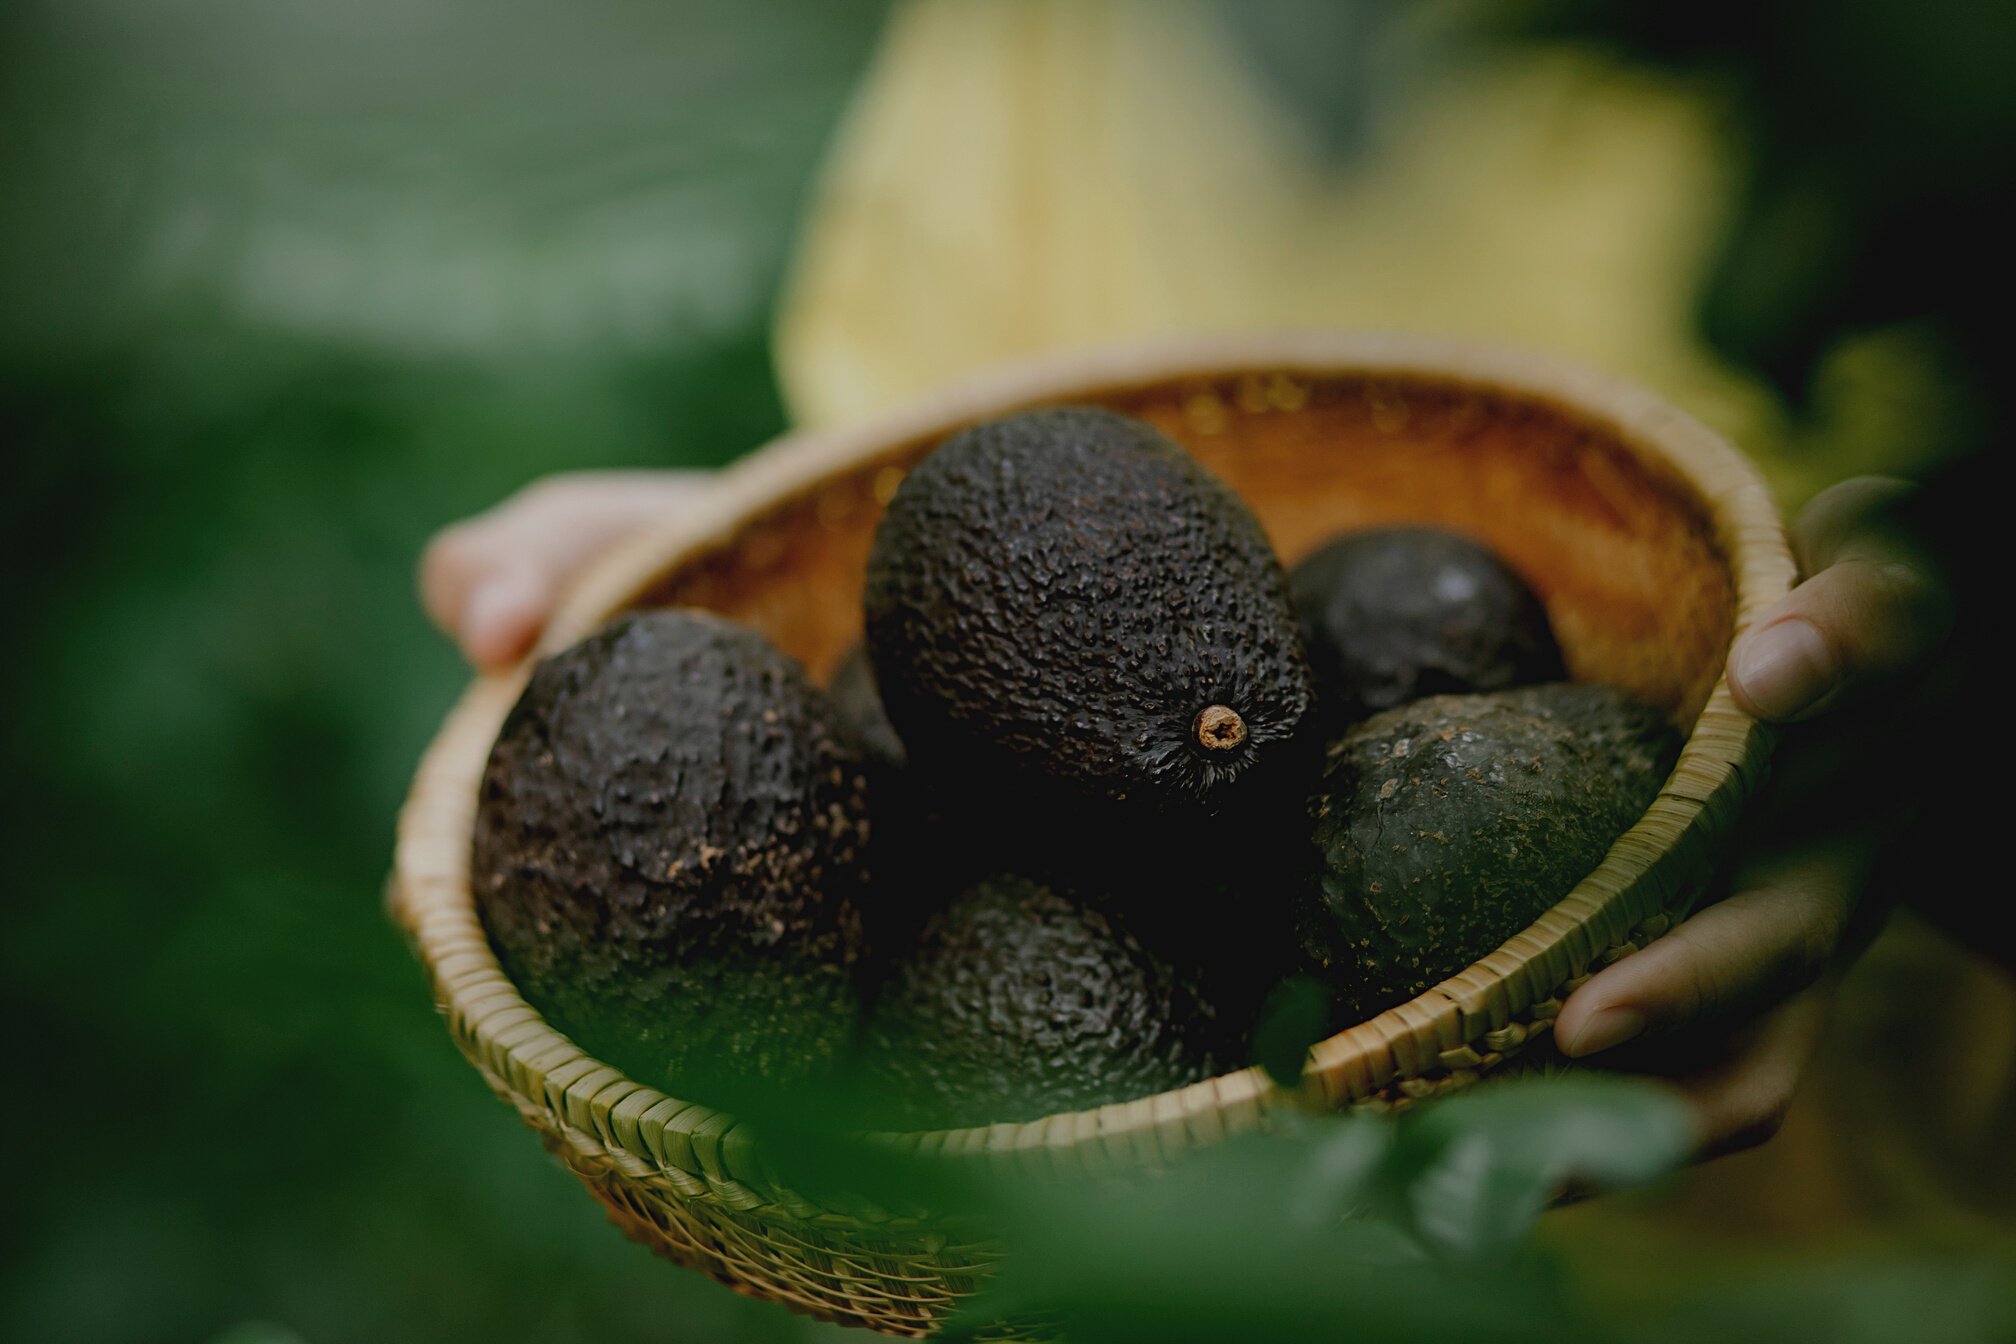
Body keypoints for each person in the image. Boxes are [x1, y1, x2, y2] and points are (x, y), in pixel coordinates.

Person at [416, 0, 1991, 1167]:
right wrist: (721, 590)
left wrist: (1963, 763)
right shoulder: (1010, 65)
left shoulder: (1886, 83)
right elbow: (928, 556)